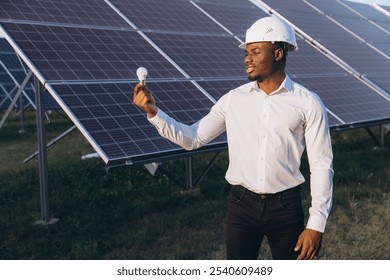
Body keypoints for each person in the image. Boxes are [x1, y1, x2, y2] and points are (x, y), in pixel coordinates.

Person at [133, 16, 333, 260]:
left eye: (256, 51)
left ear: (278, 54)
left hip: (286, 208)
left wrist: (316, 224)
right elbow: (193, 138)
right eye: (246, 52)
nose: (247, 59)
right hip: (241, 207)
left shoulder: (308, 103)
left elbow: (321, 165)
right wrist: (154, 112)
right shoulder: (233, 100)